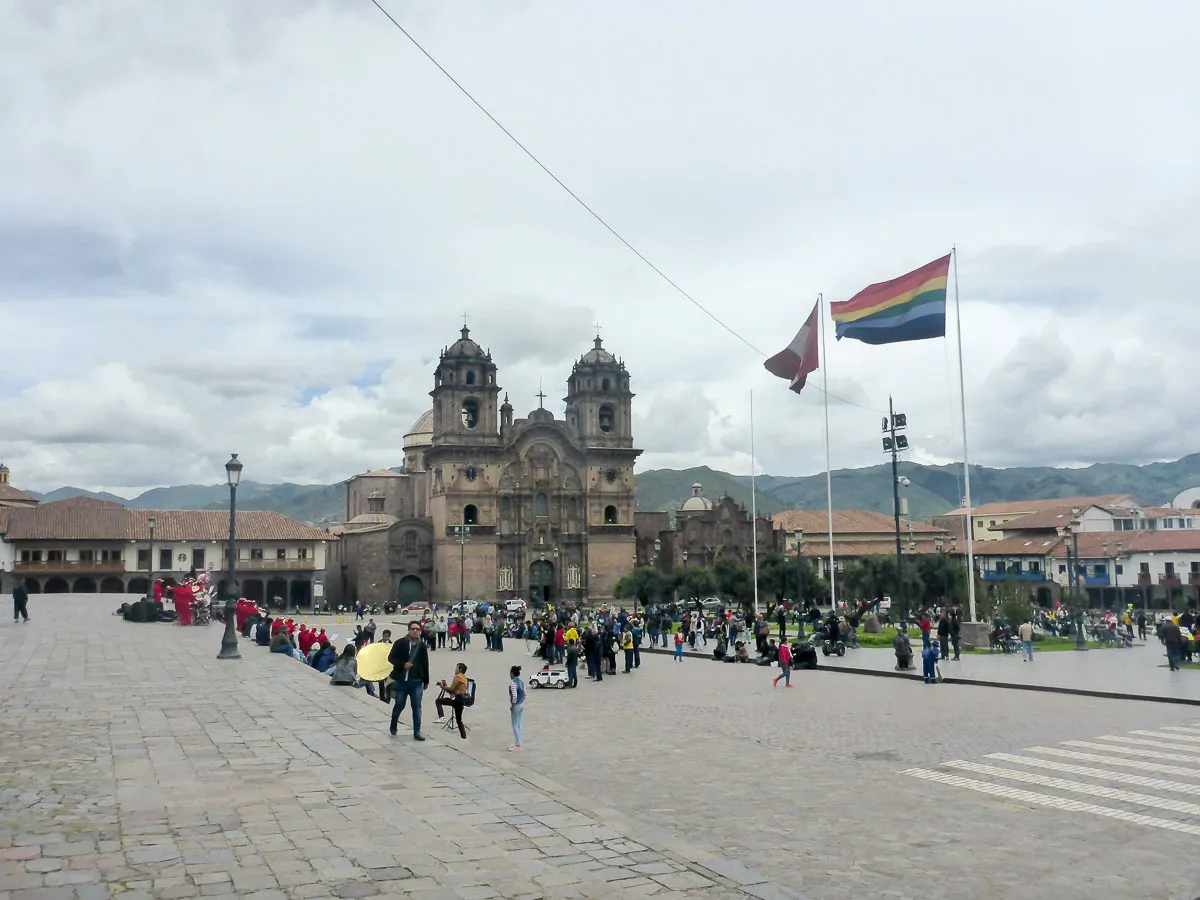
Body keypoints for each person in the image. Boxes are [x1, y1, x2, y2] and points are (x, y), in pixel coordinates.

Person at [388, 621, 430, 741]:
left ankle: (417, 732)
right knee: (399, 705)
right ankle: (393, 723)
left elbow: (425, 663)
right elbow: (390, 658)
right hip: (402, 681)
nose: (415, 631)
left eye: (417, 629)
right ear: (408, 630)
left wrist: (426, 680)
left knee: (417, 707)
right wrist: (403, 664)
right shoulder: (400, 643)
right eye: (413, 629)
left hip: (416, 681)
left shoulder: (421, 646)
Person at [435, 662, 470, 739]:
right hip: (462, 700)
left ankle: (442, 717)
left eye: (456, 668)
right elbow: (458, 689)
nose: (455, 669)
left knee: (438, 701)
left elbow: (450, 689)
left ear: (460, 669)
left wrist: (442, 686)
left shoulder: (458, 677)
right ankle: (464, 737)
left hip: (457, 700)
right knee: (459, 720)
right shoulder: (464, 677)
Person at [508, 665, 525, 751]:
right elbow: (525, 693)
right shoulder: (521, 682)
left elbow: (514, 696)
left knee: (514, 725)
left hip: (516, 705)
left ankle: (518, 745)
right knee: (519, 724)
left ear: (512, 673)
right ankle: (519, 742)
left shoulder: (513, 683)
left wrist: (512, 705)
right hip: (521, 703)